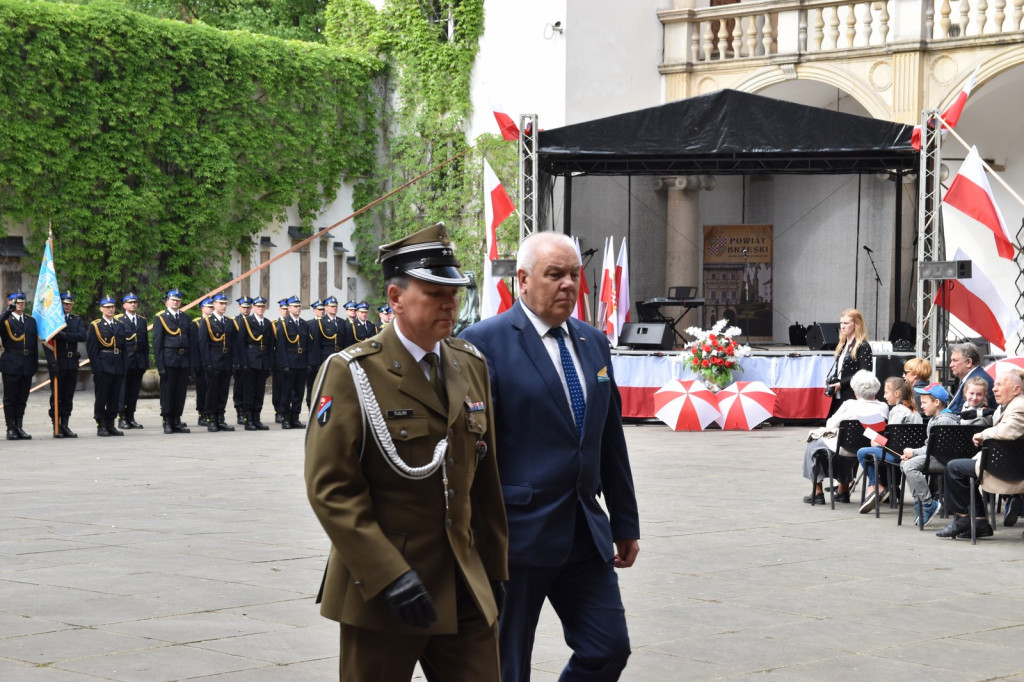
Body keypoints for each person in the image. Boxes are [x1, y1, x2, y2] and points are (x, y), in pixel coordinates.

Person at [305, 222, 508, 681]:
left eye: (453, 291)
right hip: (386, 588)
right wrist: (387, 573)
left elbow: (485, 478)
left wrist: (495, 568)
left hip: (463, 580)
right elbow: (331, 489)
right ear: (396, 298)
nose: (450, 303)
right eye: (435, 291)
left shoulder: (468, 364)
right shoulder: (352, 371)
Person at [460, 231, 640, 682]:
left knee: (608, 648)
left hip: (584, 531)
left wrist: (624, 522)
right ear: (522, 280)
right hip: (516, 536)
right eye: (554, 274)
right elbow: (470, 453)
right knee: (506, 665)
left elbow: (609, 437)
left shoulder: (592, 342)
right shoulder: (483, 343)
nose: (568, 285)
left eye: (575, 275)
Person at [935, 372, 1024, 539]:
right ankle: (980, 522)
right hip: (1005, 461)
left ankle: (962, 519)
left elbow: (1008, 431)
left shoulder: (1019, 405)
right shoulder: (1006, 406)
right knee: (959, 467)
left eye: (1000, 385)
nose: (994, 389)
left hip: (1008, 466)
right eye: (994, 385)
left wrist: (983, 434)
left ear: (1016, 389)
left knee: (954, 468)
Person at [802, 369, 888, 504]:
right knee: (842, 447)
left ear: (856, 391)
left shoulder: (849, 405)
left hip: (846, 446)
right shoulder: (883, 407)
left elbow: (830, 425)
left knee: (813, 443)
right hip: (868, 447)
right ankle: (843, 489)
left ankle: (817, 491)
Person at [857, 376, 922, 513]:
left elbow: (892, 442)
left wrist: (876, 441)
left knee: (862, 452)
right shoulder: (915, 411)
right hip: (911, 454)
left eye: (886, 392)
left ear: (897, 393)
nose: (884, 396)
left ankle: (877, 487)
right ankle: (886, 488)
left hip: (897, 454)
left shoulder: (897, 411)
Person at [900, 383, 960, 525]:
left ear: (937, 402)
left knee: (909, 466)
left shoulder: (944, 420)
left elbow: (934, 449)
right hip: (937, 457)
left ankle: (928, 504)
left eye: (925, 403)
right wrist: (913, 455)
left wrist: (913, 452)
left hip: (944, 460)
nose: (922, 406)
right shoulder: (935, 419)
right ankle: (918, 501)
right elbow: (930, 447)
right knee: (905, 463)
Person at [44, 291, 87, 438]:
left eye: (70, 304)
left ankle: (65, 425)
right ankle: (56, 424)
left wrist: (64, 336)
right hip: (59, 361)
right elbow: (47, 342)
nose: (68, 306)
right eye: (65, 303)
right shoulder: (53, 321)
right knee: (57, 395)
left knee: (68, 395)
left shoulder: (76, 320)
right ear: (59, 304)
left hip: (72, 362)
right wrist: (52, 363)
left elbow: (83, 335)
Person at [152, 289, 192, 434]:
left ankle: (177, 419)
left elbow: (190, 341)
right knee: (168, 392)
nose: (175, 302)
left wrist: (191, 363)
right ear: (167, 301)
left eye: (178, 300)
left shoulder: (185, 318)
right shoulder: (161, 318)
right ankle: (167, 420)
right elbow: (157, 343)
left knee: (180, 392)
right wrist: (160, 365)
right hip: (169, 359)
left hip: (183, 360)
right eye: (173, 299)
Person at [0, 290, 38, 440]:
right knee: (10, 398)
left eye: (22, 302)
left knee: (22, 397)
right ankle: (10, 428)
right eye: (16, 302)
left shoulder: (30, 321)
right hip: (11, 363)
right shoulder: (5, 320)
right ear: (10, 302)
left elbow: (34, 344)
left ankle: (19, 426)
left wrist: (34, 364)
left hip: (27, 363)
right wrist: (6, 312)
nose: (20, 304)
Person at [87, 296, 127, 437]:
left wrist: (124, 367)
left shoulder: (119, 325)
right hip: (103, 365)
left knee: (114, 397)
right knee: (102, 397)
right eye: (107, 307)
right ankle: (101, 424)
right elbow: (92, 350)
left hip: (117, 364)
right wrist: (96, 369)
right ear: (101, 309)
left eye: (112, 307)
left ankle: (111, 423)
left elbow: (124, 348)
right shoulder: (96, 325)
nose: (110, 309)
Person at [198, 293, 236, 432]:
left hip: (226, 362)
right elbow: (203, 344)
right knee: (212, 392)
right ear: (214, 305)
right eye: (221, 303)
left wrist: (233, 362)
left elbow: (233, 343)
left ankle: (220, 418)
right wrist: (207, 363)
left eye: (225, 303)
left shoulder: (229, 322)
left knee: (223, 392)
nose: (224, 306)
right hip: (213, 362)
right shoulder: (207, 322)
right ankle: (211, 419)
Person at [824, 308, 873, 416]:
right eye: (841, 323)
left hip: (853, 395)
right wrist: (833, 380)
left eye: (846, 323)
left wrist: (841, 383)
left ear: (856, 324)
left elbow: (865, 372)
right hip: (839, 395)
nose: (842, 326)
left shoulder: (863, 346)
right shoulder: (843, 344)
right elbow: (842, 370)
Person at [239, 295, 273, 430]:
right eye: (258, 306)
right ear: (253, 307)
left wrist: (270, 364)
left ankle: (257, 418)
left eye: (262, 306)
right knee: (249, 391)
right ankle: (249, 419)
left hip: (263, 360)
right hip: (251, 360)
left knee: (259, 391)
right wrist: (244, 363)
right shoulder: (246, 322)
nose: (260, 309)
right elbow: (241, 344)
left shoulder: (267, 323)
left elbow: (270, 346)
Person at [275, 295, 309, 429]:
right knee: (287, 392)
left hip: (301, 363)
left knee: (299, 392)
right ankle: (285, 417)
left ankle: (295, 417)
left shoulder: (304, 324)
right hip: (289, 363)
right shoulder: (283, 324)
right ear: (288, 308)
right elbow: (281, 347)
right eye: (295, 306)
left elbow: (307, 345)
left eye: (299, 306)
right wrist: (284, 364)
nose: (298, 308)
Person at [116, 292, 148, 430]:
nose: (133, 304)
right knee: (123, 390)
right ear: (124, 305)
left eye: (135, 302)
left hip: (138, 360)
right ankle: (121, 417)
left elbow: (145, 343)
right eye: (130, 302)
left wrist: (145, 361)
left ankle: (131, 416)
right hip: (125, 360)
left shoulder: (142, 320)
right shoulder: (119, 320)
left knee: (134, 391)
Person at [946, 341, 995, 415]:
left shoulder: (977, 381)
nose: (951, 365)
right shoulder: (972, 377)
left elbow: (961, 414)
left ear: (969, 362)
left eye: (954, 360)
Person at [190, 298, 214, 427]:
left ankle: (211, 413)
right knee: (202, 389)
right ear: (202, 308)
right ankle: (202, 414)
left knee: (212, 389)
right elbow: (194, 346)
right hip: (200, 363)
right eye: (208, 307)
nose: (211, 309)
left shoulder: (215, 322)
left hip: (213, 361)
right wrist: (195, 365)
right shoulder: (196, 323)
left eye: (212, 306)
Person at [231, 296, 253, 425]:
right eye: (244, 307)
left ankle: (248, 411)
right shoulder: (234, 322)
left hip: (251, 360)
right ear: (239, 307)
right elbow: (234, 344)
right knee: (239, 387)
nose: (246, 310)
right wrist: (235, 361)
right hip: (239, 360)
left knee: (250, 388)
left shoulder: (253, 321)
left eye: (248, 307)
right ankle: (240, 412)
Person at [270, 298, 289, 423]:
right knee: (278, 387)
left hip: (291, 359)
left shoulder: (294, 323)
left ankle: (286, 411)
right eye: (283, 309)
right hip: (278, 361)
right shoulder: (274, 324)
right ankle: (278, 410)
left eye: (287, 309)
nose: (286, 311)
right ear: (279, 310)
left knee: (288, 388)